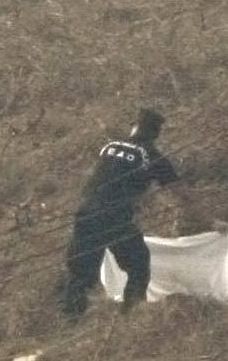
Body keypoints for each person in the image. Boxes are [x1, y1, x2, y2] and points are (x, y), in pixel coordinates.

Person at [58, 108, 179, 319]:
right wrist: (211, 222)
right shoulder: (154, 157)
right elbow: (181, 193)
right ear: (156, 134)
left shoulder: (109, 147)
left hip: (86, 211)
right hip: (115, 217)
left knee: (80, 273)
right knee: (138, 263)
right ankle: (130, 315)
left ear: (134, 126)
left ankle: (70, 320)